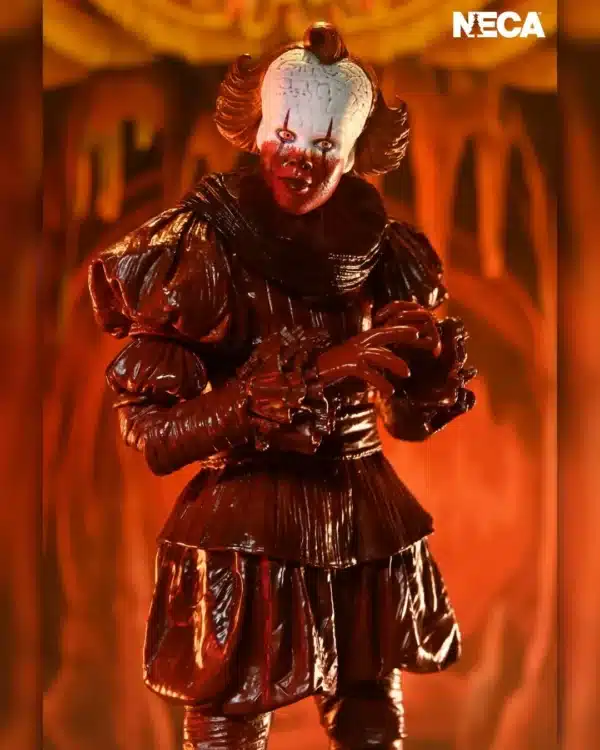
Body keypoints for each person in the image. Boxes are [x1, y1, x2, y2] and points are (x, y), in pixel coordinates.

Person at [88, 21, 475, 750]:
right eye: (285, 134)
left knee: (370, 709)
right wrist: (288, 384)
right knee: (228, 718)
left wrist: (423, 374)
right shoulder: (196, 249)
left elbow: (406, 420)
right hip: (245, 527)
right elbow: (153, 434)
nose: (299, 158)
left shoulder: (382, 249)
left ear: (354, 153)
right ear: (257, 128)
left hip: (364, 512)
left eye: (324, 144)